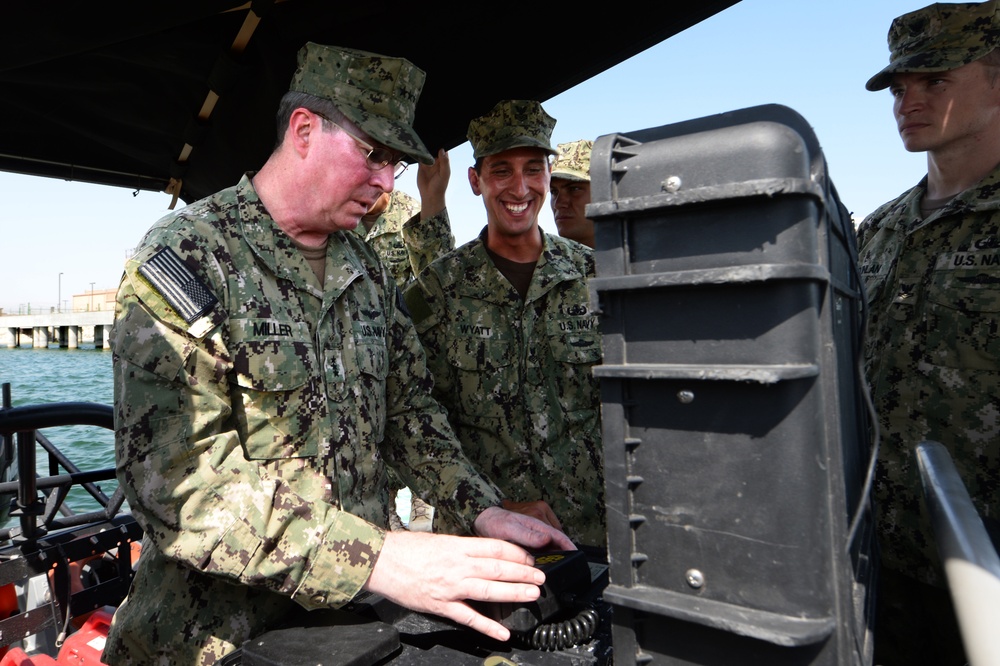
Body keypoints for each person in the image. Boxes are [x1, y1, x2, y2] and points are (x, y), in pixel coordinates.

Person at [103, 44, 574, 664]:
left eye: (396, 164)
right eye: (372, 154)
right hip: (216, 639)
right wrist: (374, 557)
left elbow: (410, 417)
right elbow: (178, 488)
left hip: (358, 632)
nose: (385, 183)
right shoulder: (188, 259)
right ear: (303, 130)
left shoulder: (369, 272)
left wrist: (482, 508)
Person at [858, 3, 1000, 664]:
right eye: (897, 86)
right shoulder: (877, 231)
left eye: (933, 80)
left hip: (986, 577)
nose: (905, 100)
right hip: (880, 563)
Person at [403, 100, 606, 553]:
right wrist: (492, 505)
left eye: (533, 169)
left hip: (592, 541)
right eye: (502, 171)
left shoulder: (598, 279)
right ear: (476, 181)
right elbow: (412, 424)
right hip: (484, 548)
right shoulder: (436, 292)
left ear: (548, 175)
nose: (520, 187)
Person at [356, 158, 456, 532]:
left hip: (407, 356)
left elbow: (438, 274)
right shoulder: (342, 218)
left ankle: (421, 509)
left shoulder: (411, 218)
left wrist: (434, 201)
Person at [549, 139, 595, 248]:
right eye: (554, 192)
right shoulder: (540, 261)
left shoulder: (638, 258)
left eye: (574, 189)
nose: (558, 204)